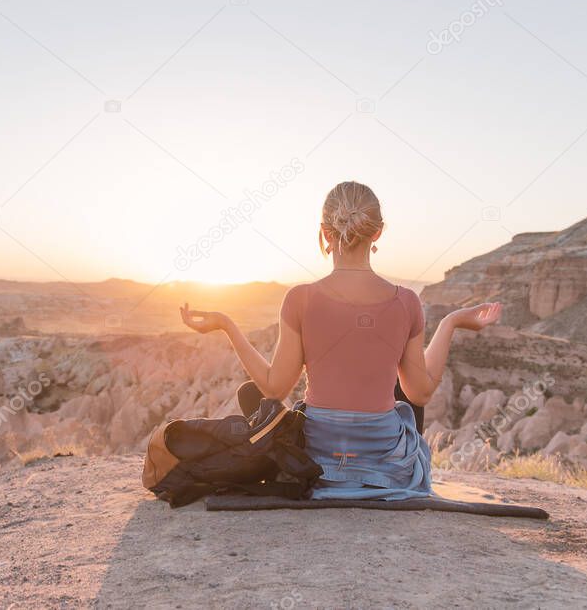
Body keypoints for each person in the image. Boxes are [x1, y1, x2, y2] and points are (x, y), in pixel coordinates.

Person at [180, 181, 501, 499]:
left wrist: (227, 326)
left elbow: (275, 389)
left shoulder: (299, 299)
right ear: (378, 232)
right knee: (402, 397)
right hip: (386, 470)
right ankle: (371, 471)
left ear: (325, 231)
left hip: (317, 468)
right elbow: (420, 392)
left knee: (253, 393)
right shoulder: (407, 303)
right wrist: (451, 322)